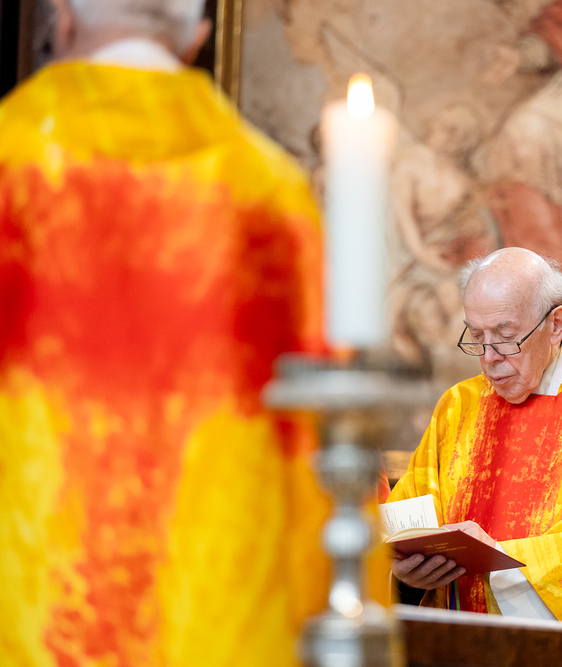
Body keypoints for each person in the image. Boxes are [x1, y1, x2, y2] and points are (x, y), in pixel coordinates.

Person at [0, 1, 335, 665]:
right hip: (216, 618)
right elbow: (319, 448)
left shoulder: (12, 164)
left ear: (61, 21)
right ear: (196, 40)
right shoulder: (271, 194)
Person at [386, 247, 562, 625]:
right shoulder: (458, 405)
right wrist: (406, 577)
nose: (489, 358)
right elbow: (405, 524)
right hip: (450, 642)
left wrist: (500, 567)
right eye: (477, 336)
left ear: (556, 324)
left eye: (505, 336)